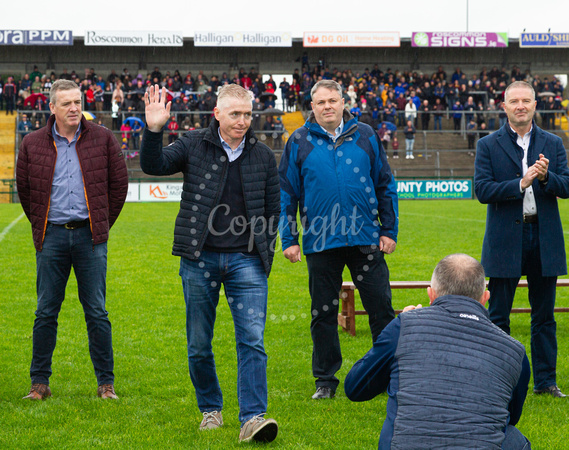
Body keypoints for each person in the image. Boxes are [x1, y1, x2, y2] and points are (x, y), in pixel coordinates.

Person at [140, 84, 280, 443]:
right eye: (235, 114)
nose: (243, 121)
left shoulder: (263, 155)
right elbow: (153, 165)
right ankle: (211, 410)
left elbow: (272, 209)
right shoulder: (193, 144)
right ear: (216, 113)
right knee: (199, 343)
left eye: (248, 114)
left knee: (252, 340)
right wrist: (154, 130)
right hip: (199, 258)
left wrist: (263, 250)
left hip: (246, 261)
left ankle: (252, 417)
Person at [279, 80, 398, 400]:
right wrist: (289, 239)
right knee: (323, 313)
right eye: (320, 102)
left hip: (365, 239)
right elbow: (287, 193)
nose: (327, 106)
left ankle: (388, 375)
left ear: (344, 102)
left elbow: (385, 185)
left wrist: (389, 231)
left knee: (381, 310)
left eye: (333, 100)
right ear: (312, 107)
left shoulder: (366, 136)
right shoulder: (299, 141)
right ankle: (325, 381)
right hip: (321, 242)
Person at [345, 254, 531, 449]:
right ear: (485, 298)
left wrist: (397, 328)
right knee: (511, 436)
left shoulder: (404, 326)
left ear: (431, 294)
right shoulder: (514, 351)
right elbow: (510, 415)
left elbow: (356, 387)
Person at [16, 79, 128, 401]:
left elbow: (118, 186)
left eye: (77, 102)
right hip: (51, 237)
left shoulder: (104, 138)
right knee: (45, 312)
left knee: (97, 312)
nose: (74, 108)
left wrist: (101, 224)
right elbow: (26, 191)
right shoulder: (32, 143)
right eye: (66, 103)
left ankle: (106, 384)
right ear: (52, 107)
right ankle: (39, 384)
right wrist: (42, 223)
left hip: (90, 238)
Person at [475, 80, 569, 398]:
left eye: (525, 101)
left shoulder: (553, 143)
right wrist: (520, 182)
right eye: (513, 101)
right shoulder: (488, 144)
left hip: (544, 237)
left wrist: (545, 177)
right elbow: (483, 191)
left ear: (534, 105)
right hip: (504, 239)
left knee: (544, 316)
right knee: (498, 316)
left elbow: (566, 186)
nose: (520, 106)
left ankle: (546, 382)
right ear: (504, 107)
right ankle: (499, 382)